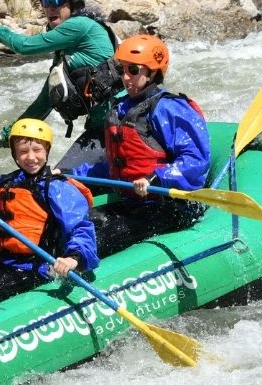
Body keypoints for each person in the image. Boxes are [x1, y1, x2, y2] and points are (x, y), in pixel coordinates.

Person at [73, 34, 212, 257]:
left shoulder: (169, 108)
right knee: (73, 227)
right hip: (131, 202)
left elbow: (195, 161)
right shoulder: (121, 109)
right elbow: (114, 161)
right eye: (122, 70)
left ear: (153, 72)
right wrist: (71, 174)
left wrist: (155, 178)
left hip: (166, 206)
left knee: (98, 240)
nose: (126, 77)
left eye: (134, 70)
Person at [0, 119, 99, 320]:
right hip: (1, 261)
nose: (31, 157)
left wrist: (74, 258)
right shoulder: (6, 184)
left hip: (36, 269)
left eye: (37, 150)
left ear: (47, 152)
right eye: (23, 151)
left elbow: (80, 228)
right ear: (15, 155)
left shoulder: (56, 188)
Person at [0, 0, 120, 171]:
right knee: (60, 178)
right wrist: (5, 136)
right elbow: (43, 103)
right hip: (101, 128)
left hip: (121, 125)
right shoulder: (67, 53)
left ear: (73, 3)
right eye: (44, 1)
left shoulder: (80, 25)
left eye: (55, 0)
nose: (49, 7)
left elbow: (25, 46)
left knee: (64, 181)